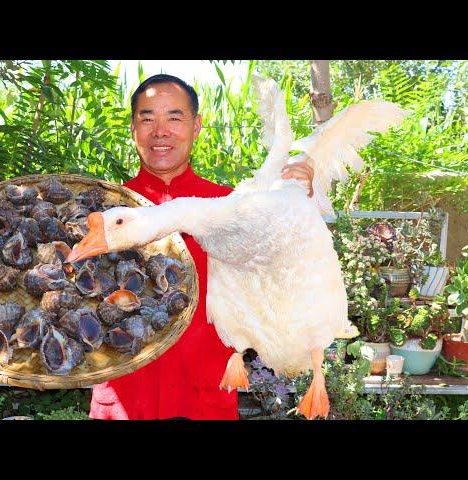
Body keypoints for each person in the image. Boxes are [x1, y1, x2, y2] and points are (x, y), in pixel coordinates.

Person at [89, 74, 314, 420]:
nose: (160, 131)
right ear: (133, 128)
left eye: (174, 118)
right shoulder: (107, 214)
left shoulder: (231, 206)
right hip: (122, 403)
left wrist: (296, 198)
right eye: (147, 118)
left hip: (204, 400)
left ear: (196, 126)